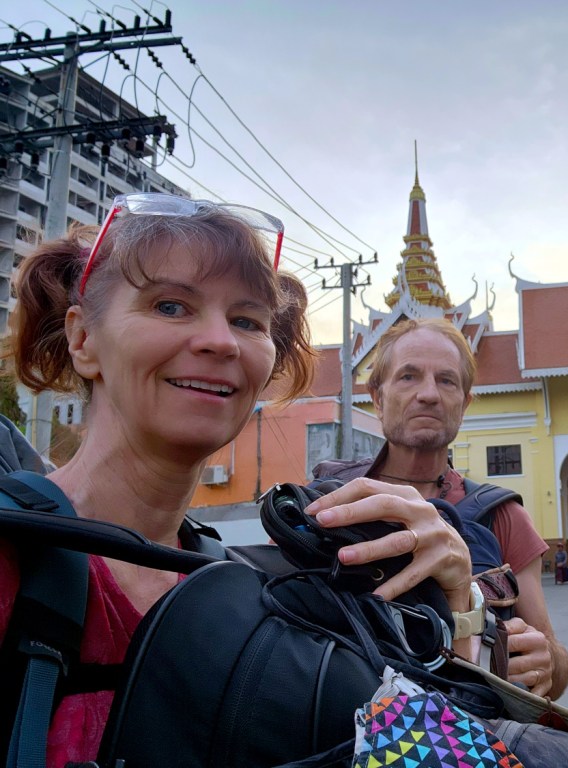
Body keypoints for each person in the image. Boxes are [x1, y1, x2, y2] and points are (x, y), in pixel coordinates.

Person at [0, 194, 479, 765]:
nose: (221, 341)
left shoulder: (253, 589)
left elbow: (430, 749)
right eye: (171, 306)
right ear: (83, 340)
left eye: (247, 320)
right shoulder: (15, 560)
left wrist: (454, 601)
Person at [309, 318, 568, 699]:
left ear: (463, 404)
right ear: (378, 397)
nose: (428, 394)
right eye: (408, 377)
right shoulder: (328, 502)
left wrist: (546, 661)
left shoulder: (502, 516)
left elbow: (555, 666)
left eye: (447, 380)